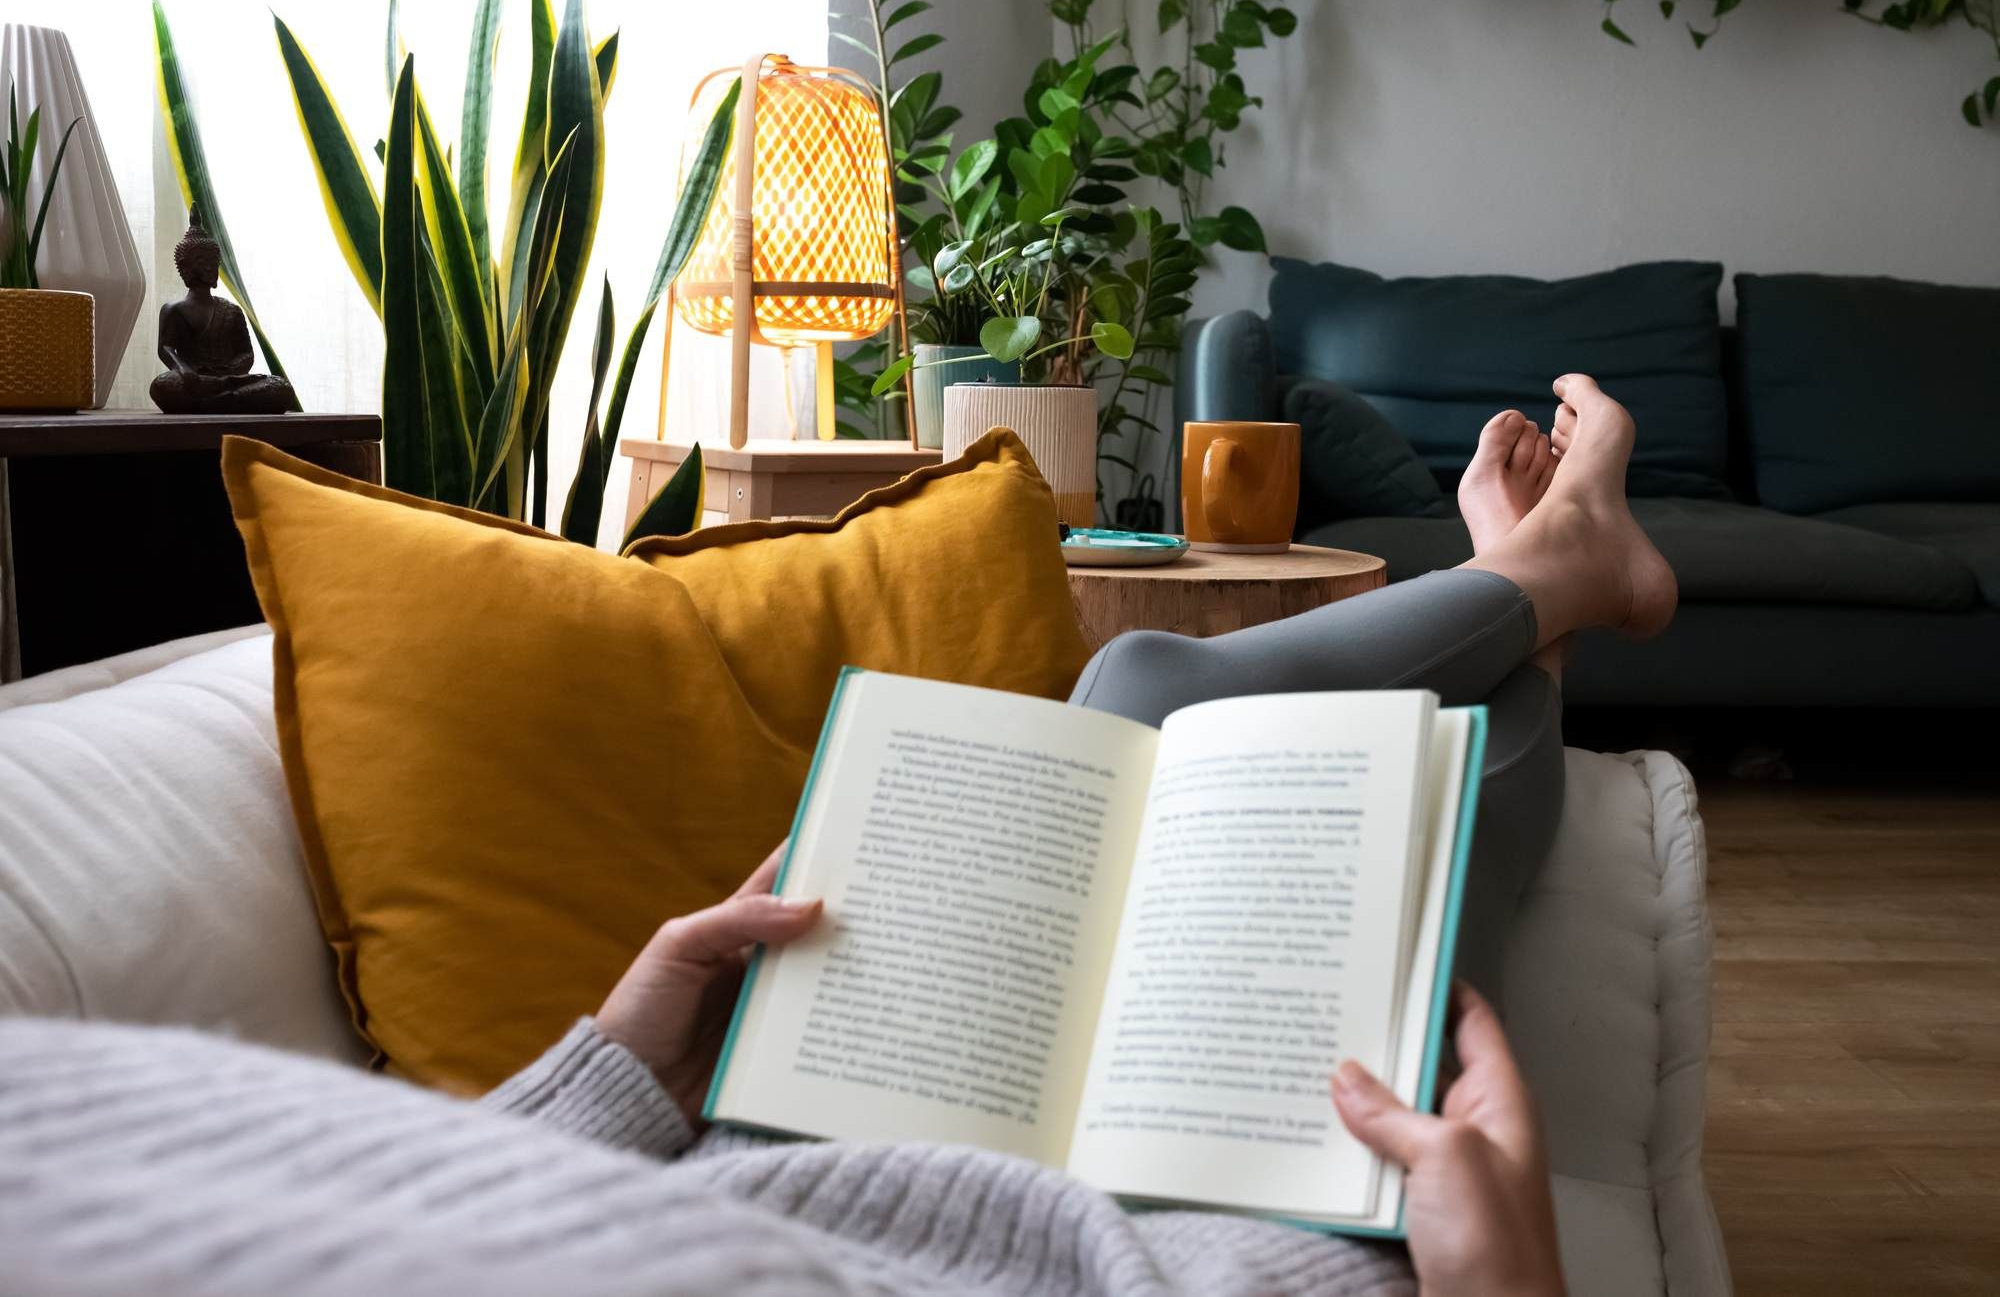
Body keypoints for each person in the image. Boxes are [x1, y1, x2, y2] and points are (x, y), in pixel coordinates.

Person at [0, 375, 1671, 1296]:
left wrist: (615, 1065)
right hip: (1196, 1225)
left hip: (814, 1122)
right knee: (1214, 722)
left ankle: (1539, 596)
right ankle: (1536, 596)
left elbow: (402, 1197)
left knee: (1138, 688)